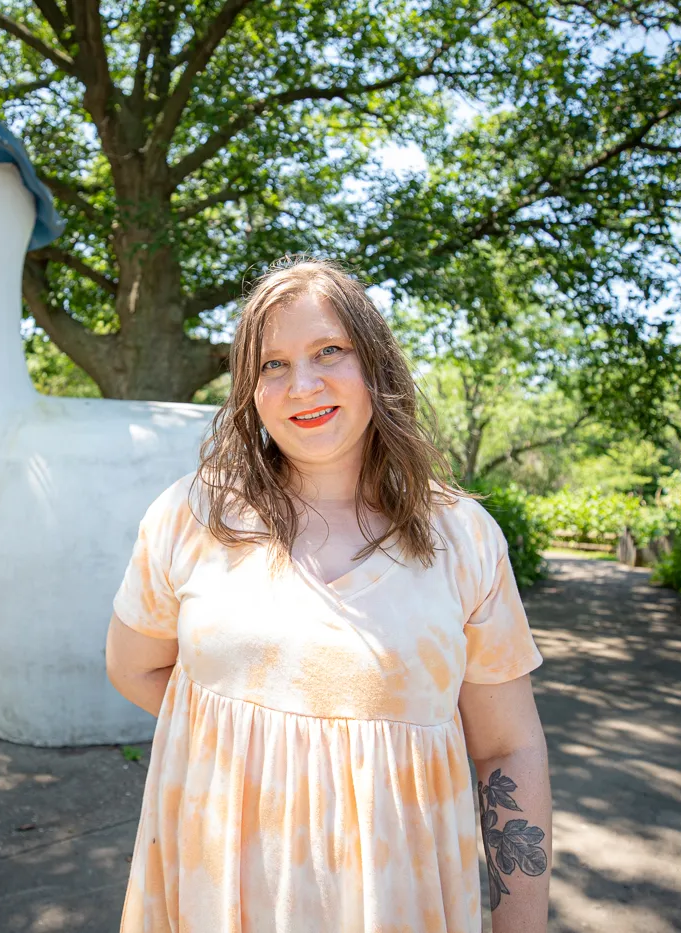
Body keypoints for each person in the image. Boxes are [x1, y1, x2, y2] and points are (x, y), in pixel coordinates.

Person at [105, 258, 551, 933]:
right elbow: (133, 665)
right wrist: (245, 747)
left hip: (400, 903)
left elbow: (506, 746)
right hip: (216, 896)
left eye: (328, 352)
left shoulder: (464, 539)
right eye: (271, 364)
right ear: (248, 390)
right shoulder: (191, 517)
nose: (302, 385)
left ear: (375, 364)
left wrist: (521, 925)